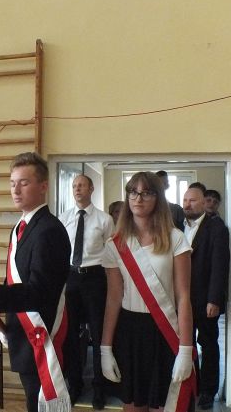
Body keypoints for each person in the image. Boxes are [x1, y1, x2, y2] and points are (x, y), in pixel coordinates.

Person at [0, 152, 71, 412]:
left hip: (43, 335)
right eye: (12, 183)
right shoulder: (20, 227)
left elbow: (40, 292)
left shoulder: (50, 230)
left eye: (24, 183)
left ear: (43, 186)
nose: (16, 190)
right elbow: (14, 279)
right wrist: (5, 321)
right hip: (23, 334)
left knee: (42, 405)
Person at [101, 171, 194, 412]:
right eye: (133, 192)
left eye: (146, 193)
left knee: (164, 406)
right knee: (133, 405)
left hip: (165, 330)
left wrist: (186, 349)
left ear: (158, 197)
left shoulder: (175, 239)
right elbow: (113, 299)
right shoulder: (115, 244)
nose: (138, 198)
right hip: (129, 333)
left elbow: (184, 297)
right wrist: (105, 347)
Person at [59, 175, 115, 409]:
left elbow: (112, 255)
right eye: (74, 186)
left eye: (81, 185)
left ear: (91, 189)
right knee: (71, 334)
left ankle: (100, 388)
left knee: (99, 333)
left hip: (95, 278)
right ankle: (75, 384)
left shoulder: (104, 220)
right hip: (71, 278)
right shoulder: (64, 219)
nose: (77, 189)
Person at [182, 186, 230, 409]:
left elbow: (220, 266)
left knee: (208, 345)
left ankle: (209, 391)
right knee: (186, 344)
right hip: (182, 300)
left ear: (203, 203)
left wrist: (214, 300)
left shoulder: (217, 228)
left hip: (205, 299)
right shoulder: (177, 226)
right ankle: (192, 387)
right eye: (185, 200)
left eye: (192, 200)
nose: (187, 204)